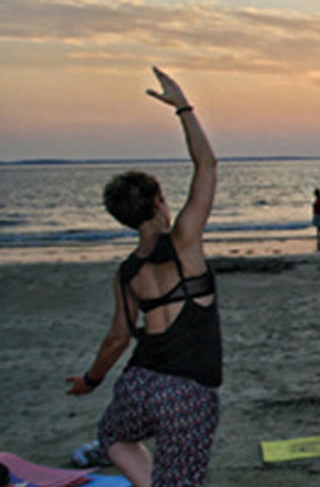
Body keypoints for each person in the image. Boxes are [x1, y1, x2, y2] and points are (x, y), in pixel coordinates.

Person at [65, 67, 221, 487]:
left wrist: (91, 380)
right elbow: (205, 163)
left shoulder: (128, 272)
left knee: (113, 435)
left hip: (139, 384)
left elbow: (118, 337)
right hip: (187, 394)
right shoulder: (185, 240)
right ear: (158, 200)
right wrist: (183, 106)